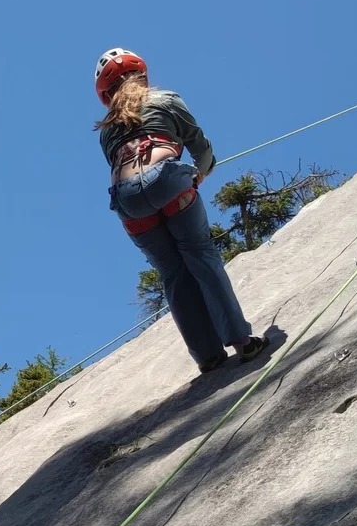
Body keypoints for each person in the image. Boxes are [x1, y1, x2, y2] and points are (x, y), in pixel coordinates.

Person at [95, 48, 266, 375]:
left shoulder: (106, 131)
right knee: (199, 253)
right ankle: (243, 342)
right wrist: (201, 172)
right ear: (142, 75)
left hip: (127, 201)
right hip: (168, 182)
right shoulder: (166, 99)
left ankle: (208, 356)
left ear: (107, 95)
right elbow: (199, 145)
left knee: (173, 273)